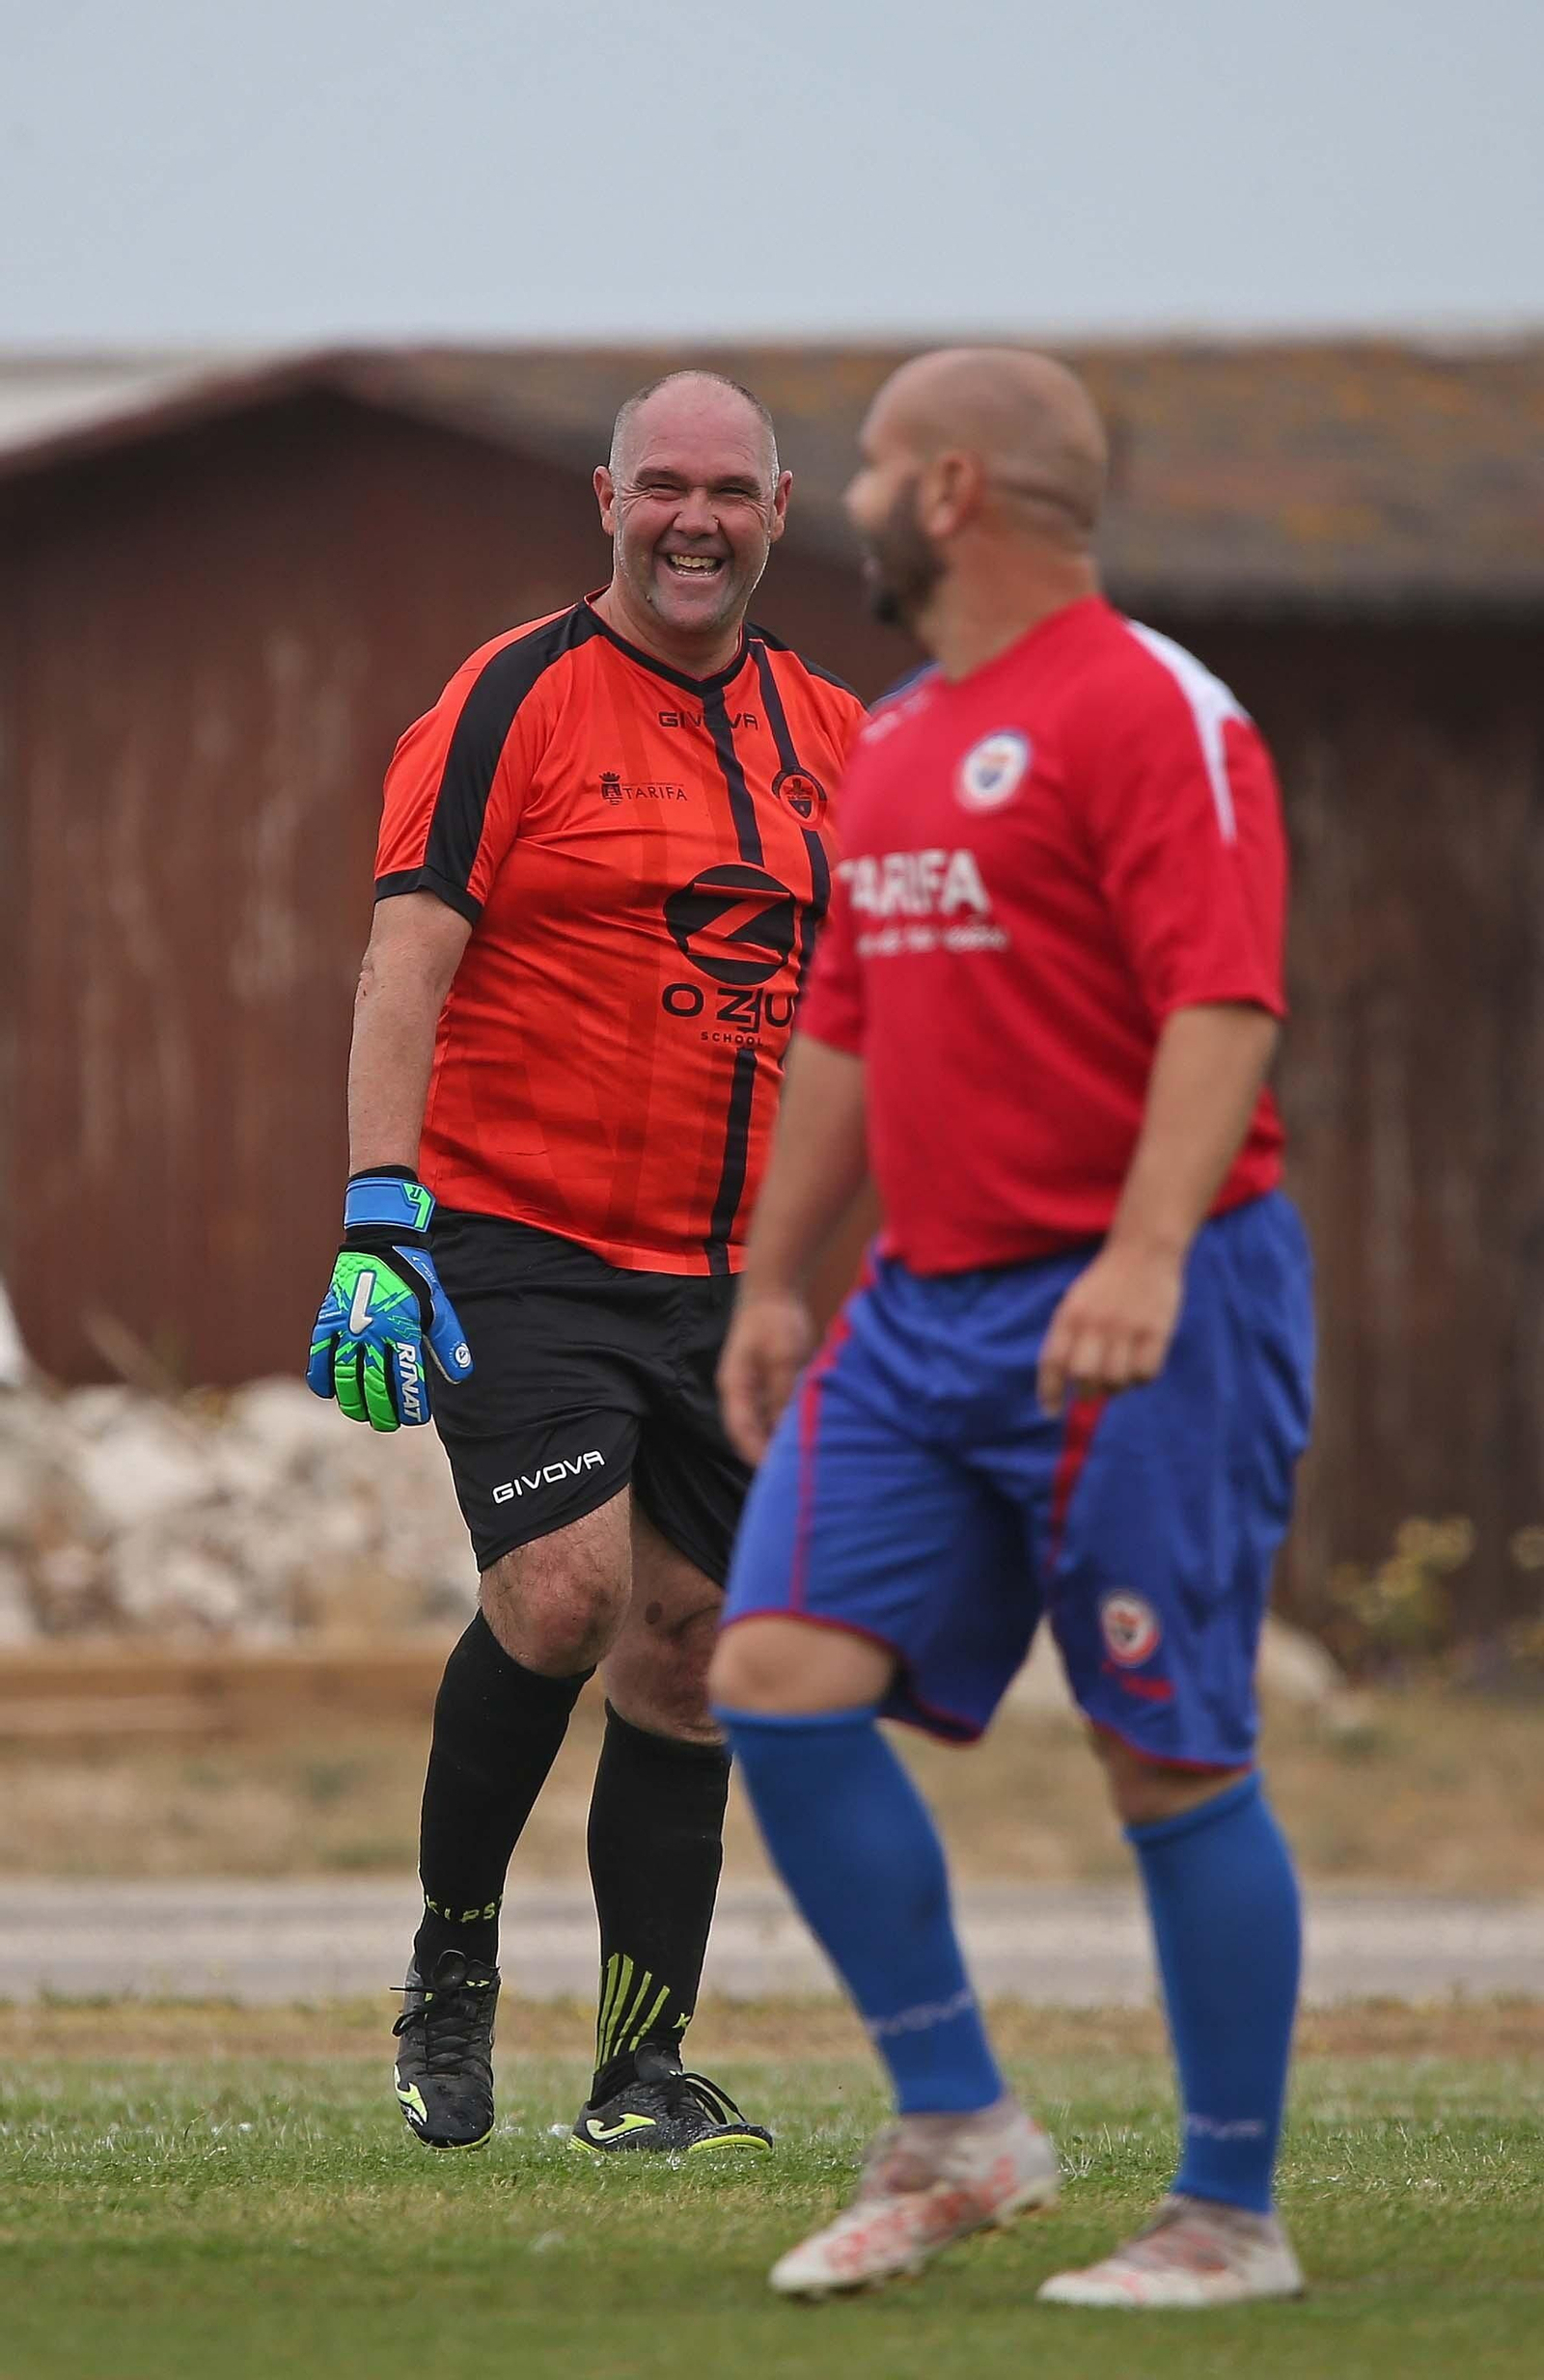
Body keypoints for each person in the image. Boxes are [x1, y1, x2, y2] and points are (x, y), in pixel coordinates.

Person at [710, 347, 1314, 2306]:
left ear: (950, 488)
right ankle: (958, 2130)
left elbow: (1220, 1003)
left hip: (1145, 1292)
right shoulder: (893, 738)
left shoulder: (1155, 710)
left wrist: (1140, 1260)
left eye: (867, 466)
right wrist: (775, 1273)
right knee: (776, 1671)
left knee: (1163, 1755)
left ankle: (1226, 2214)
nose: (849, 498)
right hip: (919, 1308)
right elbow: (850, 1029)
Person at [307, 370, 866, 2158]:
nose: (693, 521)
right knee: (561, 1593)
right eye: (661, 490)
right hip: (520, 1240)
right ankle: (450, 1974)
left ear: (780, 507)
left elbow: (900, 1006)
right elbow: (406, 964)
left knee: (692, 1654)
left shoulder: (838, 739)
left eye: (730, 492)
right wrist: (379, 1214)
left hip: (729, 1275)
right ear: (604, 499)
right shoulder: (507, 700)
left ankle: (638, 2071)